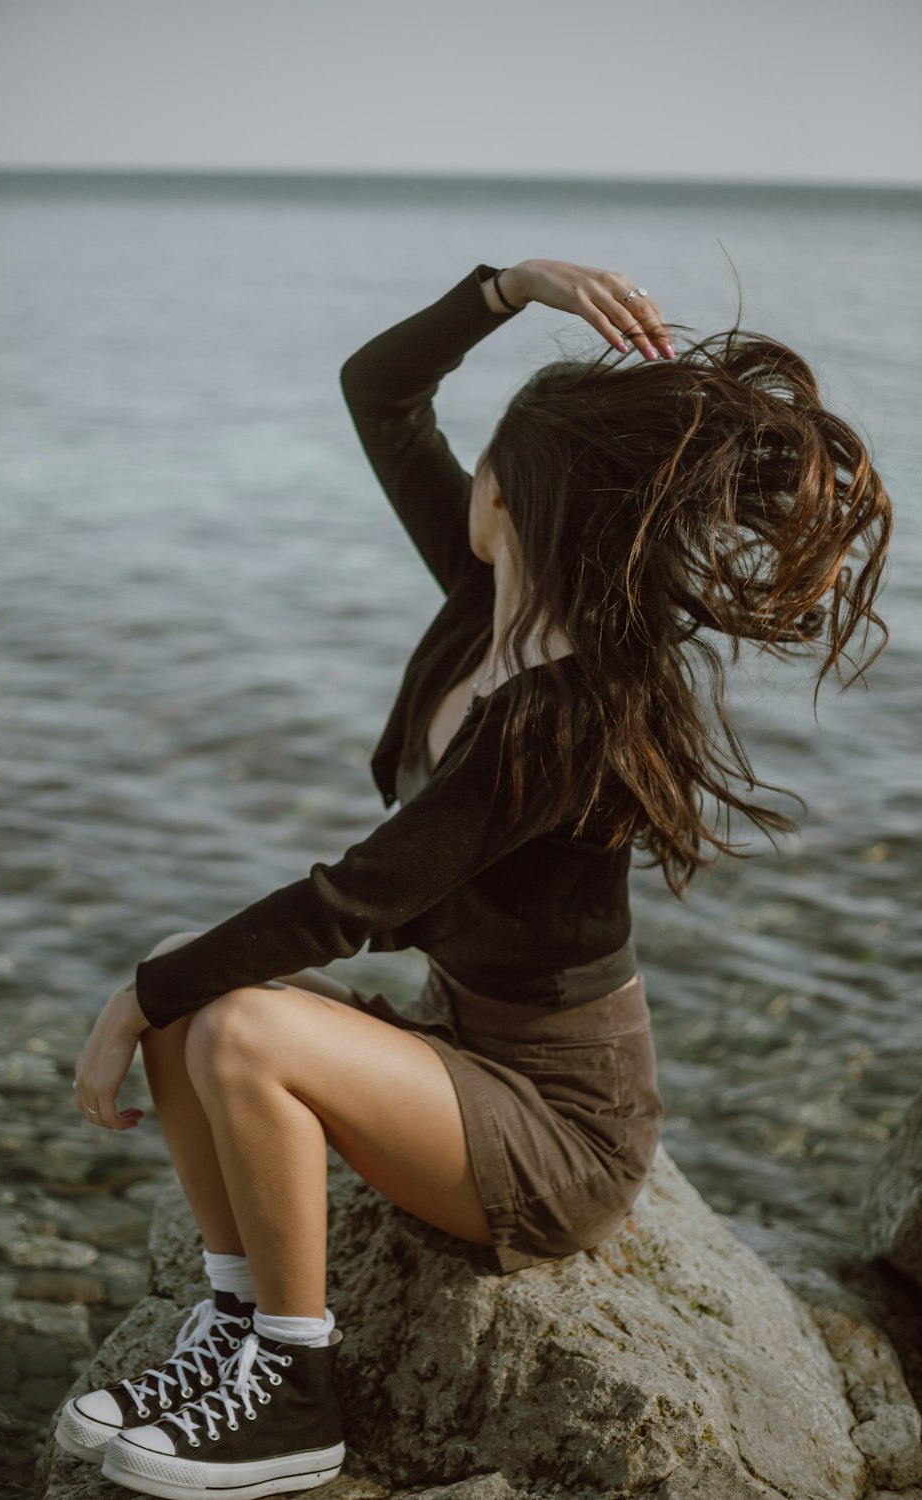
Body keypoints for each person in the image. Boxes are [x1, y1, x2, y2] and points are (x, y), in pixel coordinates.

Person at [54, 259, 891, 1499]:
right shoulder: (484, 601)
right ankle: (231, 1333)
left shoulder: (569, 712)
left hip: (560, 1126)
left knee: (221, 1021)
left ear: (513, 499)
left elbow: (353, 903)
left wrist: (133, 996)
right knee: (199, 1017)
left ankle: (293, 1398)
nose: (469, 483)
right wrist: (508, 289)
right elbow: (379, 391)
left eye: (487, 467)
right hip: (465, 1049)